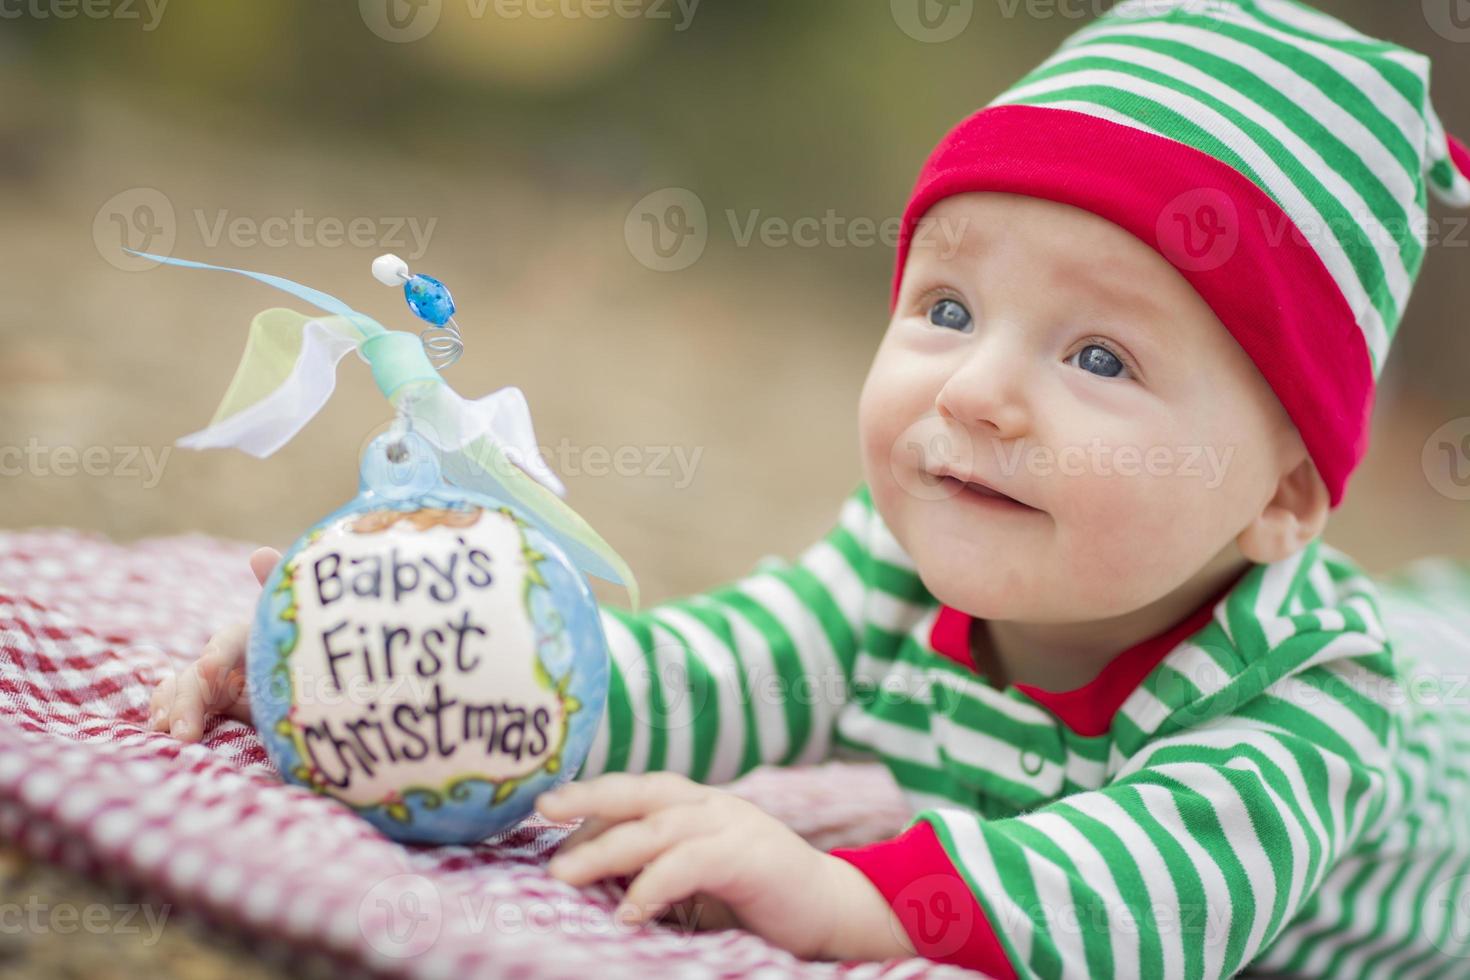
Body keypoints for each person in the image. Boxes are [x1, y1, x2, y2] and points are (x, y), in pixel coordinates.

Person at [150, 1, 1470, 974]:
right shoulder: (895, 578)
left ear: (1283, 497)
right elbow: (717, 670)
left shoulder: (1315, 696)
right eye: (947, 307)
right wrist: (432, 666)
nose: (975, 393)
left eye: (1098, 355)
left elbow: (1149, 895)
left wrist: (857, 898)